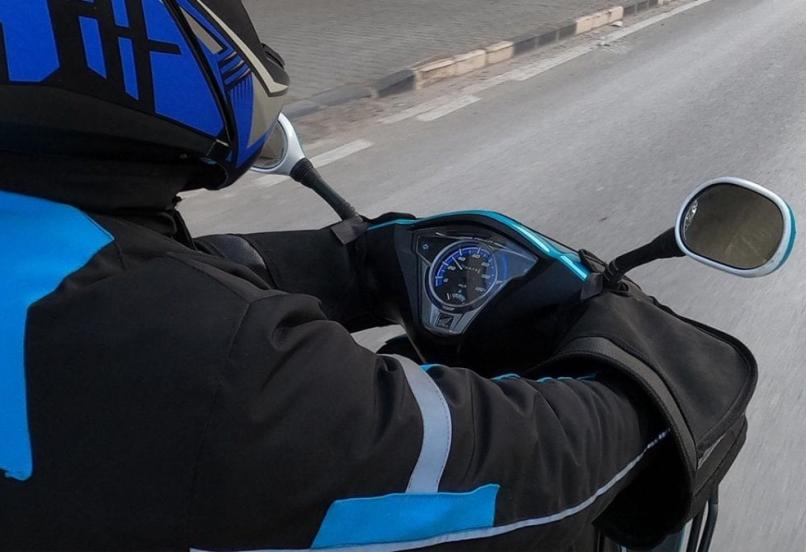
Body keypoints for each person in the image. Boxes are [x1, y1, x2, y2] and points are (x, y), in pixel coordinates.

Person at [0, 2, 750, 551]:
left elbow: (169, 267)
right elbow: (504, 476)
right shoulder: (201, 362)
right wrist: (648, 390)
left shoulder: (57, 250)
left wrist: (352, 260)